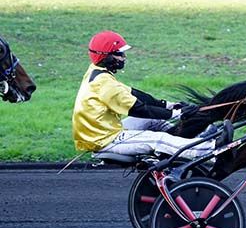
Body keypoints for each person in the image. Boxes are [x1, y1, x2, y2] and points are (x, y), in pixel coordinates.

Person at [72, 30, 215, 161]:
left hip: (105, 131)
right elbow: (140, 109)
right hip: (105, 140)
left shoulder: (97, 71)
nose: (123, 57)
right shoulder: (104, 84)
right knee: (158, 139)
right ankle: (209, 149)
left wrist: (168, 105)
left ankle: (190, 139)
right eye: (119, 54)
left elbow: (135, 94)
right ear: (106, 57)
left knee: (154, 122)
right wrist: (177, 114)